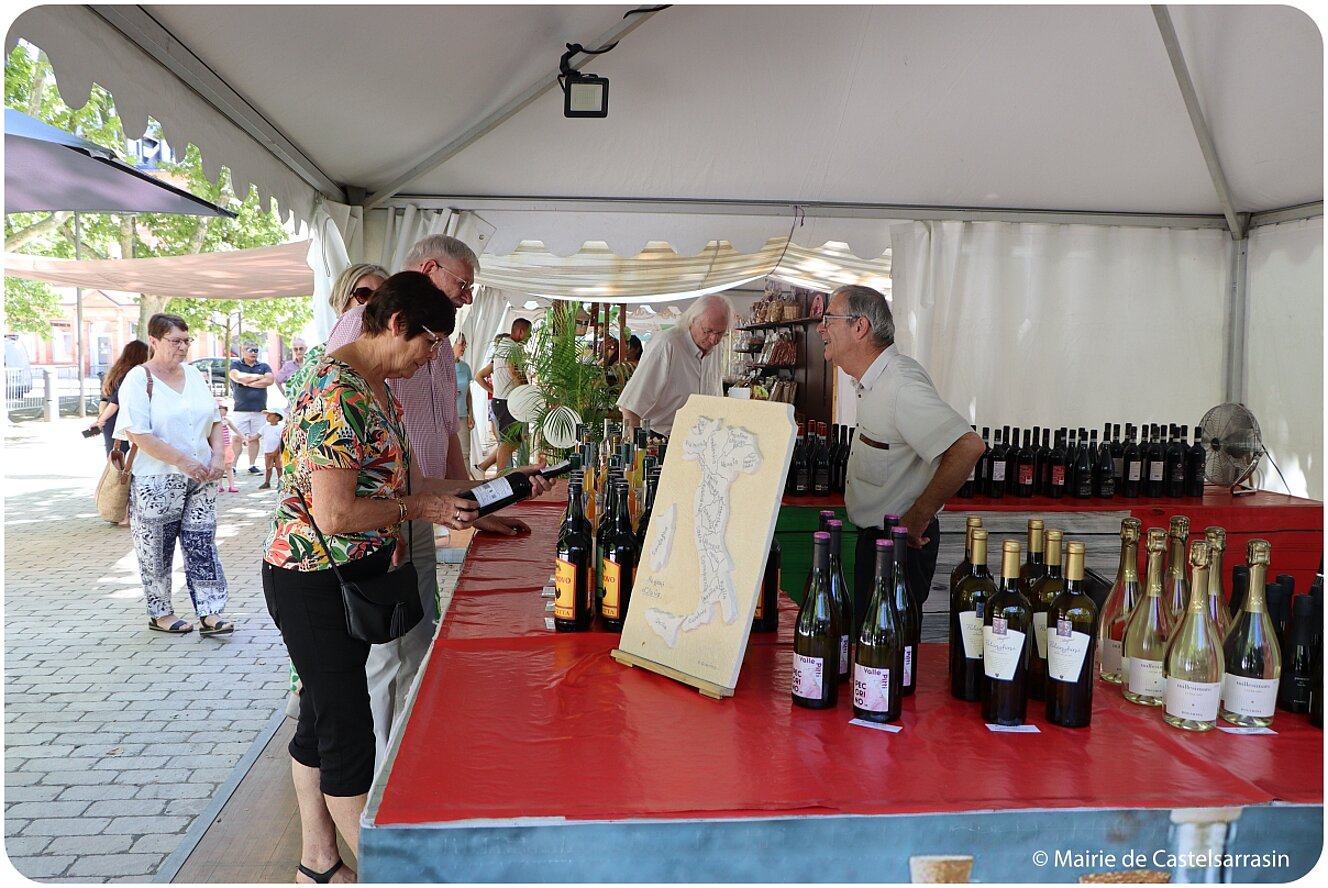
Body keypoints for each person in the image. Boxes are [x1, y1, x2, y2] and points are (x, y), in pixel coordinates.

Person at [261, 271, 485, 884]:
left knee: (318, 717)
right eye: (429, 342)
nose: (433, 356)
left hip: (348, 574)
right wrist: (428, 510)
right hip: (312, 579)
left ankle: (318, 862)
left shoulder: (377, 385)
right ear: (395, 324)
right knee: (347, 732)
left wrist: (486, 493)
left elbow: (402, 485)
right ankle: (394, 873)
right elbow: (336, 515)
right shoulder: (340, 392)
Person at [326, 234, 539, 766]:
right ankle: (379, 773)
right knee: (386, 650)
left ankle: (408, 754)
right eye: (463, 284)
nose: (468, 297)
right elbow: (345, 459)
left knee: (416, 635)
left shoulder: (435, 332)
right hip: (379, 516)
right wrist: (400, 522)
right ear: (428, 268)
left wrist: (478, 502)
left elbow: (444, 431)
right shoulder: (368, 330)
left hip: (415, 504)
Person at [817, 284, 984, 637]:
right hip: (880, 545)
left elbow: (967, 446)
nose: (821, 328)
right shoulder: (873, 381)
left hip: (898, 549)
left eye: (829, 318)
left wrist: (916, 519)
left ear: (859, 328)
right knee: (875, 653)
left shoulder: (899, 385)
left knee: (888, 660)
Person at [115, 313, 235, 636]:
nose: (183, 347)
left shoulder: (194, 375)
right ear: (154, 341)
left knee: (202, 542)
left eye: (186, 340)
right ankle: (161, 612)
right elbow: (138, 434)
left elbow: (214, 420)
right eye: (175, 341)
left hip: (201, 477)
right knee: (156, 548)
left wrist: (220, 455)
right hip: (157, 479)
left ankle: (210, 611)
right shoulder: (138, 380)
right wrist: (182, 460)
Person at [617, 293, 733, 438]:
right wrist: (635, 449)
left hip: (701, 441)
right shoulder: (666, 345)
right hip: (661, 440)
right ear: (692, 321)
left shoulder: (715, 347)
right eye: (708, 331)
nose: (714, 340)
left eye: (720, 333)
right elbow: (630, 405)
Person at [284, 265, 391, 403]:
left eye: (383, 298)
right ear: (344, 303)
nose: (374, 304)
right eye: (364, 295)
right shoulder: (319, 357)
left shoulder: (402, 356)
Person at [475, 318, 531, 475]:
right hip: (506, 402)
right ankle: (499, 477)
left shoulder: (505, 346)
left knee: (512, 442)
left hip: (504, 400)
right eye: (529, 333)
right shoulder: (510, 347)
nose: (530, 337)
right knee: (507, 443)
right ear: (521, 332)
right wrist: (526, 393)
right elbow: (513, 372)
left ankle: (483, 467)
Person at [92, 340, 150, 457]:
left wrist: (101, 420)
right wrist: (100, 421)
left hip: (112, 421)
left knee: (115, 461)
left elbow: (108, 399)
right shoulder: (132, 374)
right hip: (120, 421)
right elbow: (115, 402)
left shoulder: (117, 371)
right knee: (123, 461)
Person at [229, 343, 276, 475]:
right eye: (250, 350)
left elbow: (270, 380)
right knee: (237, 438)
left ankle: (252, 465)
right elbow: (237, 377)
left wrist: (247, 382)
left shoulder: (264, 366)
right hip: (240, 409)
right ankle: (232, 466)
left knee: (254, 438)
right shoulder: (236, 365)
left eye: (256, 350)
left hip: (259, 409)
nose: (253, 352)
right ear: (242, 351)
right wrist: (259, 377)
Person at [452, 333, 478, 479]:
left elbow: (468, 393)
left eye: (465, 344)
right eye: (462, 344)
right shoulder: (441, 367)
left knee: (465, 453)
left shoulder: (465, 367)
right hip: (448, 416)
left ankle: (466, 483)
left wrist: (471, 415)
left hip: (462, 415)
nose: (464, 348)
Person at [217, 402, 242, 494]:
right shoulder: (213, 421)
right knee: (219, 467)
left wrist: (243, 438)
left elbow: (235, 429)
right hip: (217, 447)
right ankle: (219, 485)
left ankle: (232, 485)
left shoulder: (227, 420)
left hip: (227, 446)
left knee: (229, 466)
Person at [258, 408, 284, 490]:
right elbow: (257, 435)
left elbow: (282, 440)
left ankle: (281, 482)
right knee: (268, 467)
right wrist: (248, 439)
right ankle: (267, 482)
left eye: (270, 414)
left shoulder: (281, 428)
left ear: (277, 417)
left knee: (279, 467)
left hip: (278, 451)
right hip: (268, 451)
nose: (268, 416)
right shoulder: (265, 427)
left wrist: (277, 450)